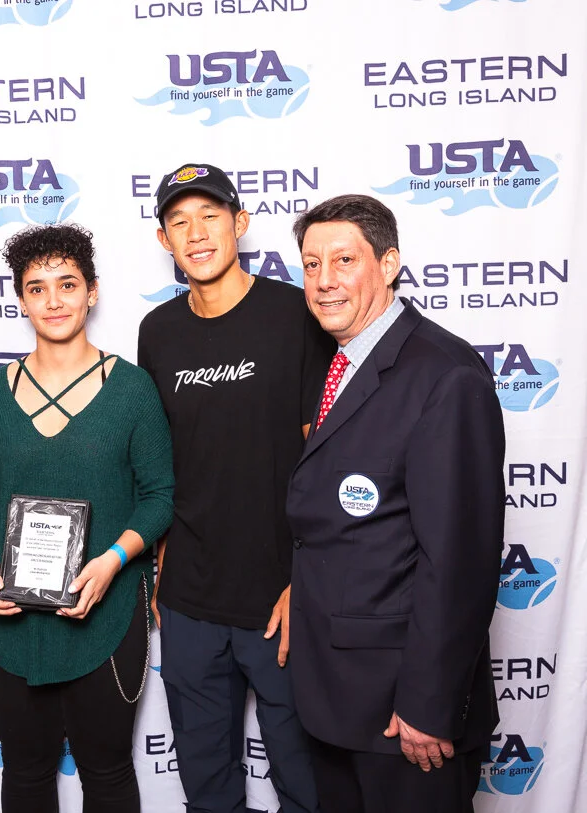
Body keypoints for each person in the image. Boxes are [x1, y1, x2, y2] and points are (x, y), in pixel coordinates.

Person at [286, 194, 505, 813]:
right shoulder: (342, 363)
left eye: (344, 260)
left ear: (388, 264)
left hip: (404, 714)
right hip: (336, 701)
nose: (324, 280)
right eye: (311, 264)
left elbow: (459, 559)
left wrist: (430, 705)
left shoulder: (444, 373)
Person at [137, 163, 332, 813]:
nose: (195, 233)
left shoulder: (294, 313)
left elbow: (324, 458)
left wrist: (307, 580)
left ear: (240, 223)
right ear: (164, 239)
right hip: (190, 599)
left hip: (281, 597)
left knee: (306, 784)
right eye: (179, 222)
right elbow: (164, 462)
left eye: (210, 216)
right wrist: (163, 564)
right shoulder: (158, 332)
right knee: (207, 789)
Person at [0, 223, 174, 813]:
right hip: (12, 619)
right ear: (21, 299)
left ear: (92, 292)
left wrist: (112, 562)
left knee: (107, 773)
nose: (53, 300)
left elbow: (160, 495)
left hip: (107, 609)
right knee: (25, 773)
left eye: (67, 284)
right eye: (37, 288)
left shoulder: (132, 389)